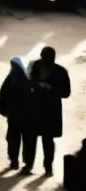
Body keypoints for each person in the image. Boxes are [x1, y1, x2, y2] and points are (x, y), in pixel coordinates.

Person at [27, 46, 72, 176]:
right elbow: (27, 83)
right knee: (31, 138)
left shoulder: (61, 72)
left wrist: (51, 88)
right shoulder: (35, 66)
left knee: (47, 140)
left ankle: (48, 167)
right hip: (34, 108)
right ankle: (28, 165)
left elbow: (66, 93)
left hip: (50, 111)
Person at [0, 57, 35, 171]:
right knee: (28, 140)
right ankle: (28, 165)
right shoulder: (29, 79)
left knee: (13, 138)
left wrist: (4, 111)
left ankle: (14, 161)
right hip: (27, 116)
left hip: (14, 116)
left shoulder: (10, 79)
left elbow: (2, 96)